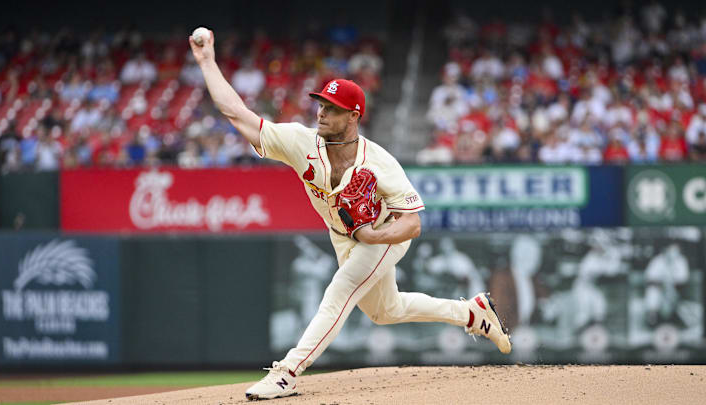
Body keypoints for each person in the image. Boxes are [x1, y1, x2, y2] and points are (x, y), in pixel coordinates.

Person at [189, 29, 511, 401]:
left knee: (340, 290)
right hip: (344, 235)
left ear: (354, 115)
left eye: (332, 108)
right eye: (321, 105)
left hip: (386, 232)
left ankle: (286, 373)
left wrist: (374, 238)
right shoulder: (300, 141)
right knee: (385, 311)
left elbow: (413, 223)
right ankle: (472, 314)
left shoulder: (380, 162)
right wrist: (207, 62)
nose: (322, 112)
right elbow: (237, 114)